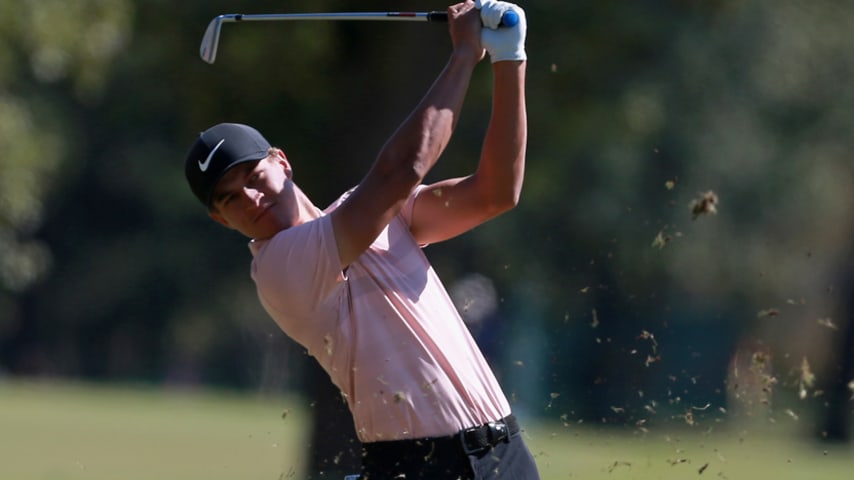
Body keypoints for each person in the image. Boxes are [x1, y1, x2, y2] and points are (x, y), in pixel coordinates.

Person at [184, 1, 536, 478]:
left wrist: (509, 59)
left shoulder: (374, 213)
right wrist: (464, 55)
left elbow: (496, 193)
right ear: (222, 221)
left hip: (504, 452)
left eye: (252, 173)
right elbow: (401, 170)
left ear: (281, 162)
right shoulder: (279, 267)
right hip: (419, 466)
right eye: (228, 198)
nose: (248, 196)